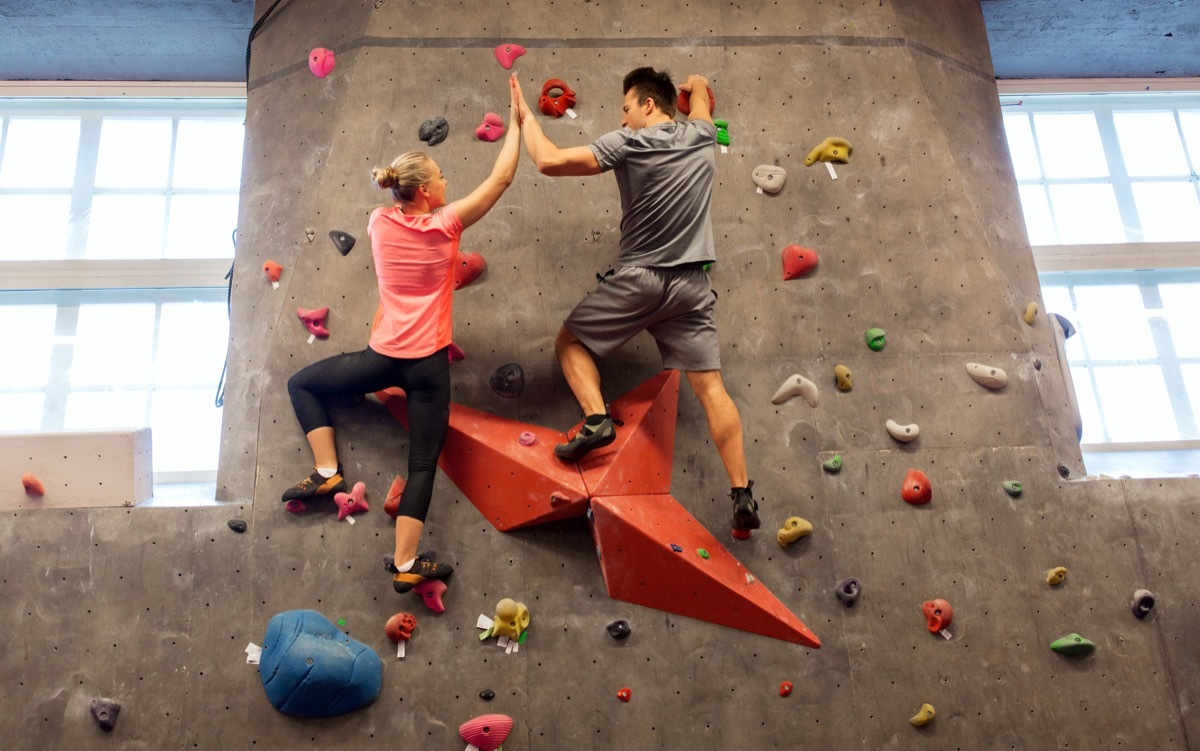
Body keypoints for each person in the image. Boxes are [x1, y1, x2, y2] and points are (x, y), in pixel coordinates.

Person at [282, 74, 524, 592]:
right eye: (440, 178)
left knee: (301, 384)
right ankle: (406, 565)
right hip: (429, 368)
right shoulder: (445, 225)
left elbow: (396, 207)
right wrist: (518, 125)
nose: (446, 184)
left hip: (382, 360)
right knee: (421, 466)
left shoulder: (376, 222)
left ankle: (327, 471)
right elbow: (500, 181)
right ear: (426, 191)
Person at [512, 67, 760, 536]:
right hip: (692, 287)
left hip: (641, 279)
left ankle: (596, 419)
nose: (623, 120)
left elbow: (548, 161)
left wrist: (526, 117)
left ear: (648, 105)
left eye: (627, 109)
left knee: (570, 342)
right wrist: (696, 84)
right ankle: (742, 491)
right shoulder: (703, 135)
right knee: (711, 389)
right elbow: (702, 94)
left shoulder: (629, 143)